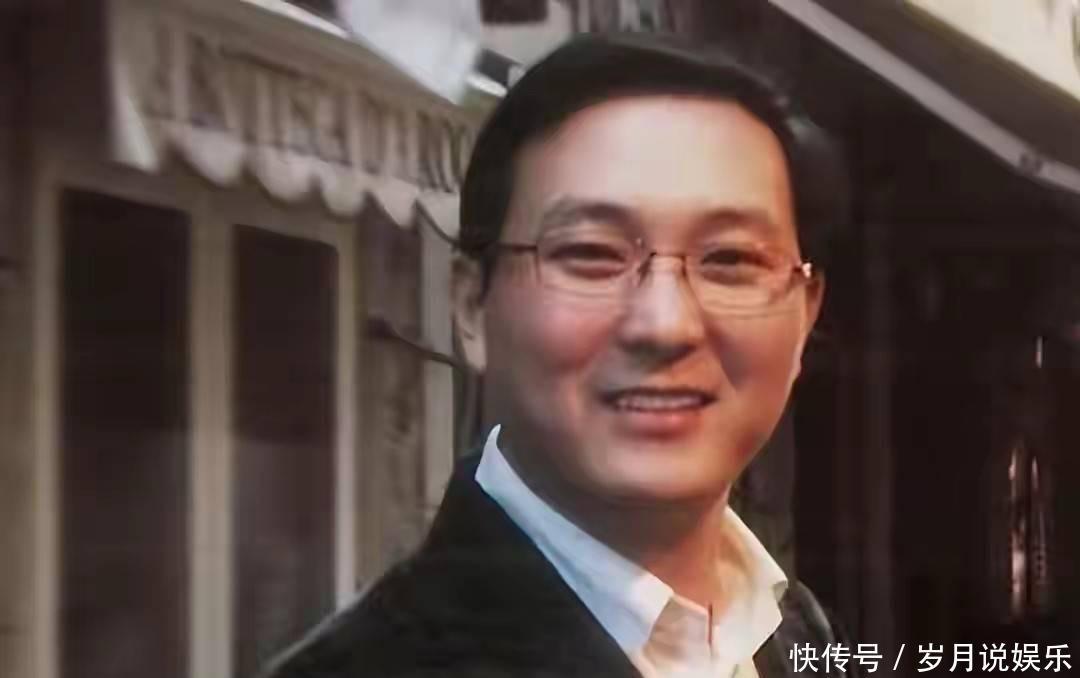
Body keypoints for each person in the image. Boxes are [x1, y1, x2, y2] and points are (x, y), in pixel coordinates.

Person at [262, 31, 854, 678]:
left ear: (806, 312)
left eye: (731, 259)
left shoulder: (796, 631)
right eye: (592, 255)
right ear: (471, 305)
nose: (666, 324)